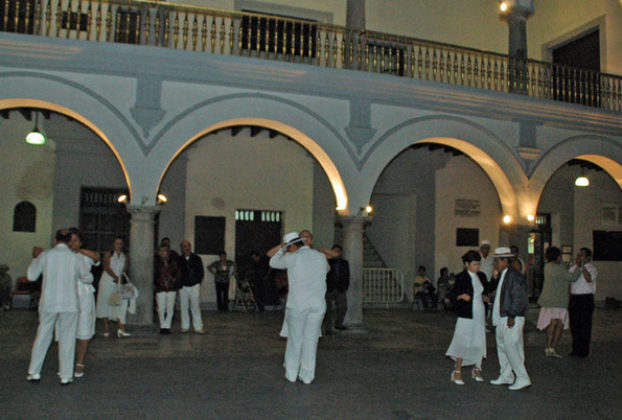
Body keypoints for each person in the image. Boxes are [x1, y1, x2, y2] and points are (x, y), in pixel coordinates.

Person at [26, 229, 92, 385]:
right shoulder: (75, 257)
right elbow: (88, 278)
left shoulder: (46, 255)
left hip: (49, 302)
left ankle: (34, 371)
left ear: (55, 240)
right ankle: (65, 375)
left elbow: (31, 276)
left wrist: (35, 259)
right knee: (67, 338)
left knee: (43, 335)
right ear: (69, 241)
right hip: (69, 303)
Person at [268, 232, 329, 384]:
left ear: (293, 246)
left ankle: (291, 373)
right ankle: (307, 376)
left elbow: (272, 262)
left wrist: (282, 248)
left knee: (295, 339)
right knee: (311, 340)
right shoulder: (320, 257)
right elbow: (326, 270)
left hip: (298, 305)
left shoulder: (292, 257)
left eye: (289, 247)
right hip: (317, 304)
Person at [489, 247, 531, 391]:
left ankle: (522, 377)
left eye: (497, 261)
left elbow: (519, 298)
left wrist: (512, 315)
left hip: (510, 317)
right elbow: (503, 294)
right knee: (503, 347)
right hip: (503, 317)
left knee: (512, 348)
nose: (495, 263)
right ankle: (506, 374)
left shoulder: (514, 276)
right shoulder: (505, 275)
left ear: (505, 261)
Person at [446, 250, 490, 385]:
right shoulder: (461, 277)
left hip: (479, 311)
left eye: (478, 264)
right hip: (466, 313)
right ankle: (457, 370)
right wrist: (460, 296)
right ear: (467, 264)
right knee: (463, 340)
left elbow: (486, 288)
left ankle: (477, 368)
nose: (477, 267)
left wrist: (485, 295)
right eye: (474, 264)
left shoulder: (481, 276)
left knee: (479, 339)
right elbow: (452, 295)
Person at [537, 246, 581, 359]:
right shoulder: (559, 268)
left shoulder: (547, 267)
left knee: (552, 324)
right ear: (557, 256)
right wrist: (578, 267)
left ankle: (548, 347)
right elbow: (572, 277)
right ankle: (553, 348)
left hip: (548, 300)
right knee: (560, 324)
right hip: (558, 301)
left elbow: (562, 269)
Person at [68, 228, 101, 378]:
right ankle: (66, 361)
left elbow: (96, 258)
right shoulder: (64, 256)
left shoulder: (85, 255)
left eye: (75, 240)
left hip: (84, 295)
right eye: (70, 240)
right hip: (68, 294)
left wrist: (79, 250)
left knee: (84, 328)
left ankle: (79, 362)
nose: (72, 243)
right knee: (67, 329)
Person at [96, 236, 131, 338]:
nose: (118, 245)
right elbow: (106, 267)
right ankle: (106, 328)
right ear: (113, 244)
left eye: (120, 243)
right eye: (116, 243)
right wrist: (115, 277)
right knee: (105, 302)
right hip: (108, 280)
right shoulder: (108, 254)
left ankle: (121, 327)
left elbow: (126, 267)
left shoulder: (125, 255)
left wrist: (121, 277)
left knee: (120, 303)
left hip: (120, 281)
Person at [568, 247, 598, 358]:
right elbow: (570, 280)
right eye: (578, 255)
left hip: (585, 299)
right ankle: (575, 348)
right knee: (574, 325)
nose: (579, 257)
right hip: (575, 298)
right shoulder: (573, 268)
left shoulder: (592, 268)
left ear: (587, 257)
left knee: (584, 325)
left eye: (581, 255)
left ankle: (583, 350)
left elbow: (589, 279)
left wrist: (582, 267)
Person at [178, 240, 205, 333]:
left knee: (195, 306)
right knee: (184, 306)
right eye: (185, 246)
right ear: (181, 248)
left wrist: (198, 282)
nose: (187, 248)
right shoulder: (179, 259)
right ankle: (185, 326)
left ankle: (198, 326)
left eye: (188, 245)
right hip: (183, 286)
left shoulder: (197, 258)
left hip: (194, 285)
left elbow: (201, 272)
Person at [154, 245, 181, 334]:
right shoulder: (156, 262)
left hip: (171, 287)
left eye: (164, 250)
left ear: (168, 252)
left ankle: (167, 326)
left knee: (170, 308)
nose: (163, 252)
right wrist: (158, 281)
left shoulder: (173, 262)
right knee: (161, 308)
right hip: (160, 287)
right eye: (161, 251)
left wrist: (173, 280)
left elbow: (178, 273)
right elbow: (154, 274)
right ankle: (162, 326)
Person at [323, 244, 350, 335]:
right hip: (328, 288)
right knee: (327, 309)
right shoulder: (327, 261)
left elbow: (347, 275)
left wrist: (345, 287)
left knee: (343, 307)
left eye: (338, 251)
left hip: (340, 288)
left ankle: (338, 323)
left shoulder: (344, 262)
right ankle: (328, 328)